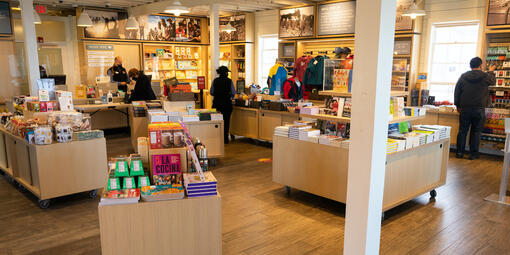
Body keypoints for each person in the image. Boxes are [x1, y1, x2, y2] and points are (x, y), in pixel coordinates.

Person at [454, 57, 496, 160]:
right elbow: (493, 82)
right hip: (479, 108)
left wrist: (457, 105)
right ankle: (473, 154)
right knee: (476, 132)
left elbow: (457, 91)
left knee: (462, 131)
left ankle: (459, 152)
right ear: (481, 65)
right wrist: (491, 71)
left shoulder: (463, 76)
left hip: (465, 108)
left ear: (470, 66)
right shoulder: (485, 76)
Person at [211, 66, 236, 144]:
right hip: (227, 105)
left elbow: (211, 92)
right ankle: (225, 139)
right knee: (226, 121)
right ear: (226, 73)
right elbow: (233, 92)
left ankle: (216, 138)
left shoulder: (215, 81)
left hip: (216, 104)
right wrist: (230, 97)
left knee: (216, 122)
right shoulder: (229, 81)